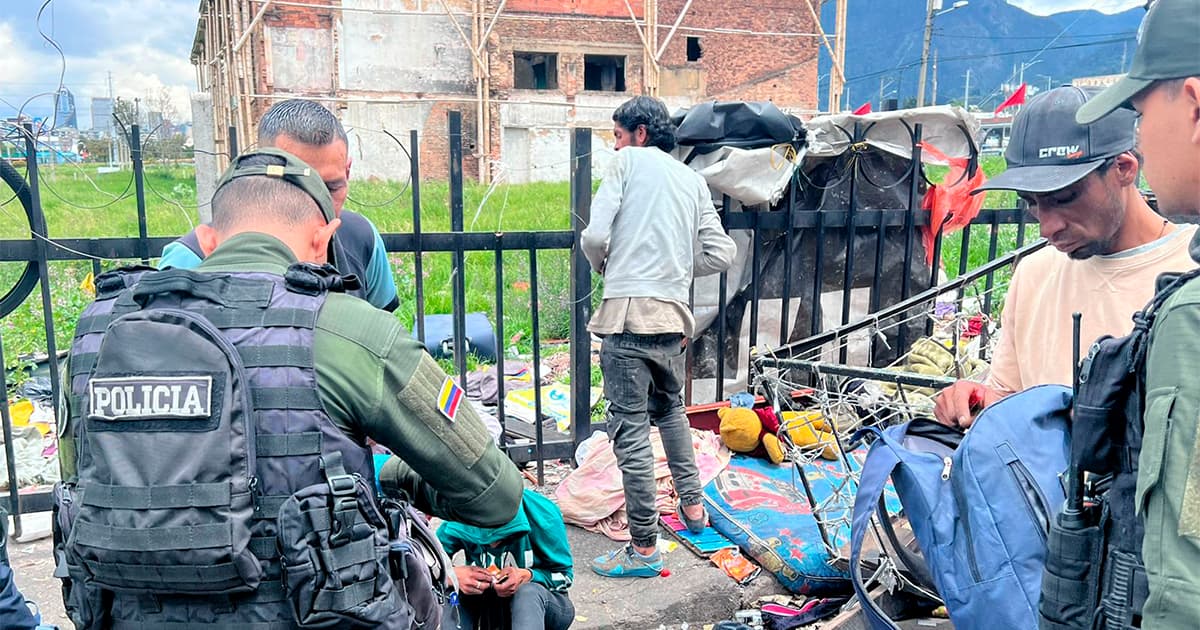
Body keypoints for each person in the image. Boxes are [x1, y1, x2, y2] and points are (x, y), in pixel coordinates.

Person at [54, 149, 523, 628]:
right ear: (324, 239)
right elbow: (495, 494)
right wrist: (374, 478)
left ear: (210, 241)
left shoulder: (98, 331)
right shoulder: (350, 330)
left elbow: (81, 483)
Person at [933, 85, 1197, 428]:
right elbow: (1010, 394)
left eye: (1064, 197)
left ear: (1123, 168)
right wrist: (977, 399)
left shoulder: (1189, 273)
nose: (1047, 226)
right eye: (1031, 202)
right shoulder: (1034, 273)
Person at [1074, 1, 1200, 626]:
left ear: (1195, 105)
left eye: (1143, 113)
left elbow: (1184, 580)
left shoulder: (1194, 316)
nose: (1142, 139)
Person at [580, 95, 736, 578]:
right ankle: (693, 512)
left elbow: (593, 236)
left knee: (629, 433)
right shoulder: (691, 180)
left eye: (618, 134)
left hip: (628, 319)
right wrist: (674, 270)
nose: (615, 144)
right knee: (670, 413)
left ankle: (644, 548)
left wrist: (605, 265)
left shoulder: (627, 165)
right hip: (672, 322)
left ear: (640, 134)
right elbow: (722, 252)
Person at [160, 99, 400, 312]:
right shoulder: (190, 259)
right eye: (296, 188)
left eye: (330, 189)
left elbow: (384, 338)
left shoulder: (361, 237)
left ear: (347, 172)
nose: (316, 206)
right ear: (260, 169)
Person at [438, 487, 575, 630]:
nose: (492, 544)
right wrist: (452, 575)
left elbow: (565, 576)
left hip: (544, 607)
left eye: (500, 537)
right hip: (488, 604)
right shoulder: (458, 516)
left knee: (527, 593)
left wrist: (529, 575)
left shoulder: (544, 516)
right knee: (453, 592)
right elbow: (426, 565)